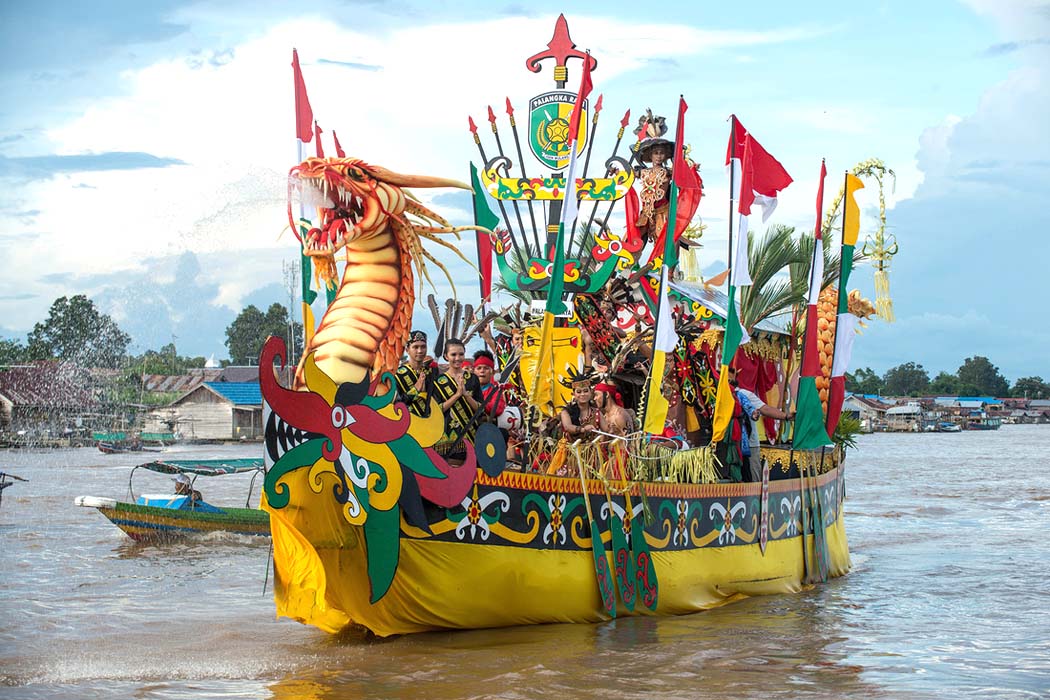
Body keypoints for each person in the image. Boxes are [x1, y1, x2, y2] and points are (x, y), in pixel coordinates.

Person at [730, 366, 794, 482]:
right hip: (729, 444)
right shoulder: (719, 395)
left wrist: (785, 416)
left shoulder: (744, 395)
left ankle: (753, 499)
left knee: (753, 477)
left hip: (749, 444)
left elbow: (765, 409)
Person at [432, 338, 483, 451]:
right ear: (446, 356)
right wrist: (457, 395)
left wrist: (466, 395)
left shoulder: (473, 378)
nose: (457, 358)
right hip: (447, 437)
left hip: (471, 435)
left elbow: (480, 408)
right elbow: (436, 410)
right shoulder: (438, 381)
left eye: (461, 354)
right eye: (453, 354)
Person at [395, 330, 433, 416]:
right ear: (407, 350)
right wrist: (415, 389)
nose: (420, 351)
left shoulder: (431, 373)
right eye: (415, 347)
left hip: (431, 423)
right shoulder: (398, 375)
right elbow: (396, 404)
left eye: (423, 347)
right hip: (409, 424)